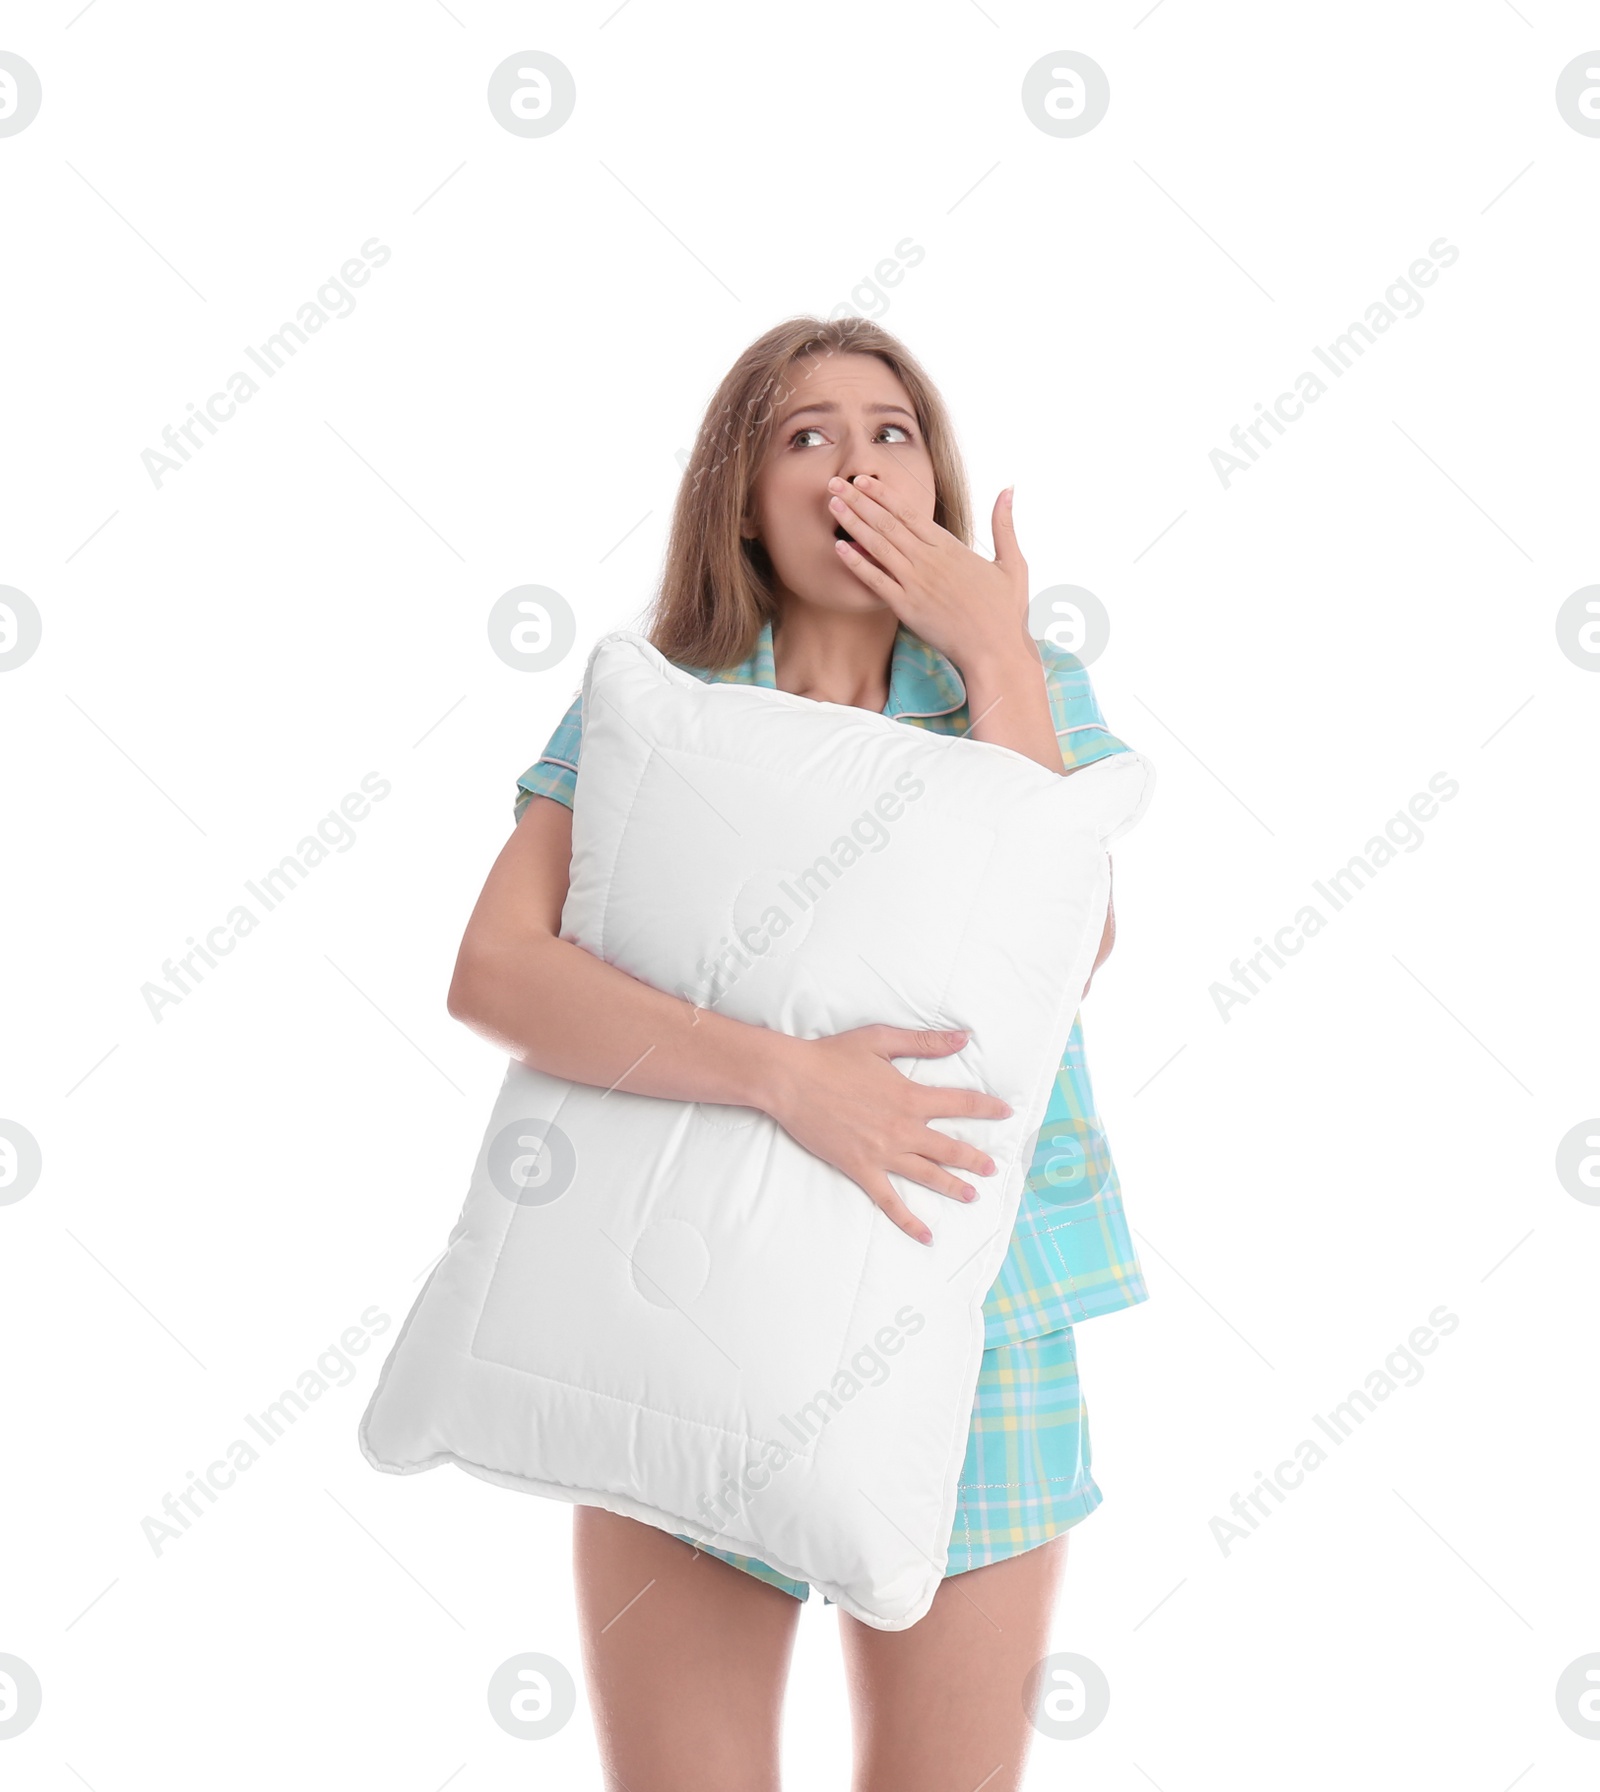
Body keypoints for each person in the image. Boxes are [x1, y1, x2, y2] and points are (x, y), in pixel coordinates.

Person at [446, 315, 1149, 1792]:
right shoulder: (656, 710)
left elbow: (1067, 948)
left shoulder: (1021, 687)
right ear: (743, 494)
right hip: (687, 1312)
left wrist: (995, 653)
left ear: (936, 475)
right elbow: (499, 970)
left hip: (978, 1325)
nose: (858, 467)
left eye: (892, 431)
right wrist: (789, 1078)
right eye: (806, 434)